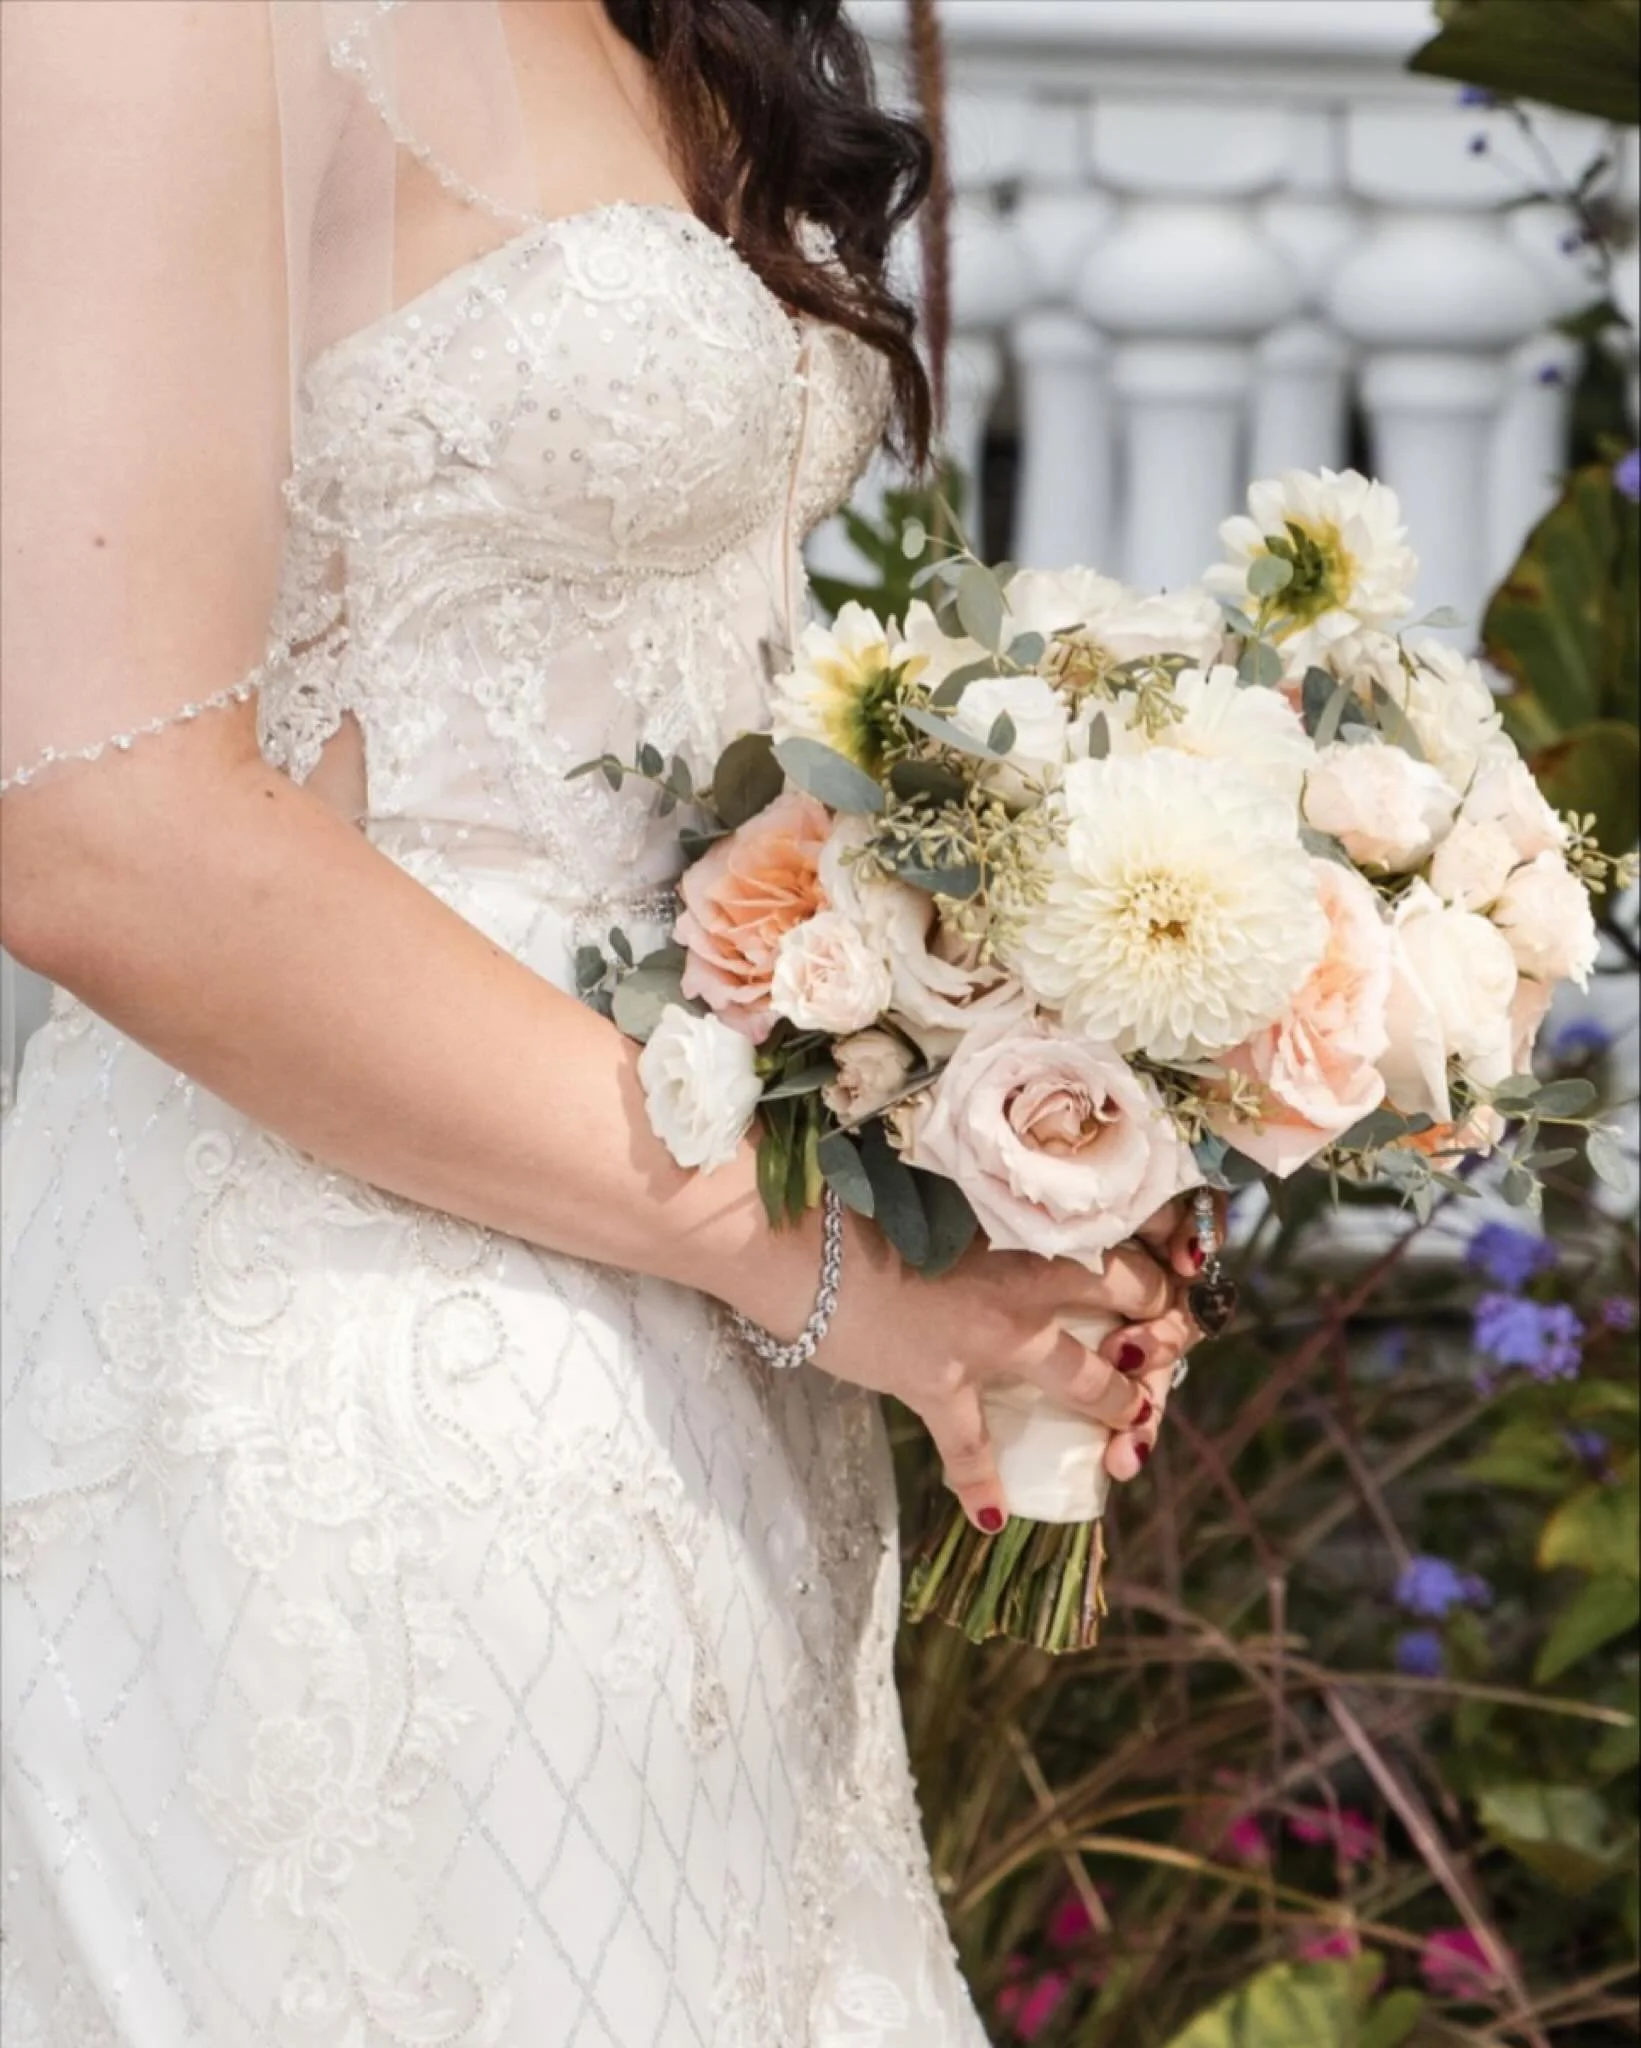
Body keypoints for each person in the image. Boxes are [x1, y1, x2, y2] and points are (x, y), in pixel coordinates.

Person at [0, 3, 1207, 2040]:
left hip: (706, 1369)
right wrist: (825, 1260)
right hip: (353, 1358)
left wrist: (997, 1098)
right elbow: (105, 834)